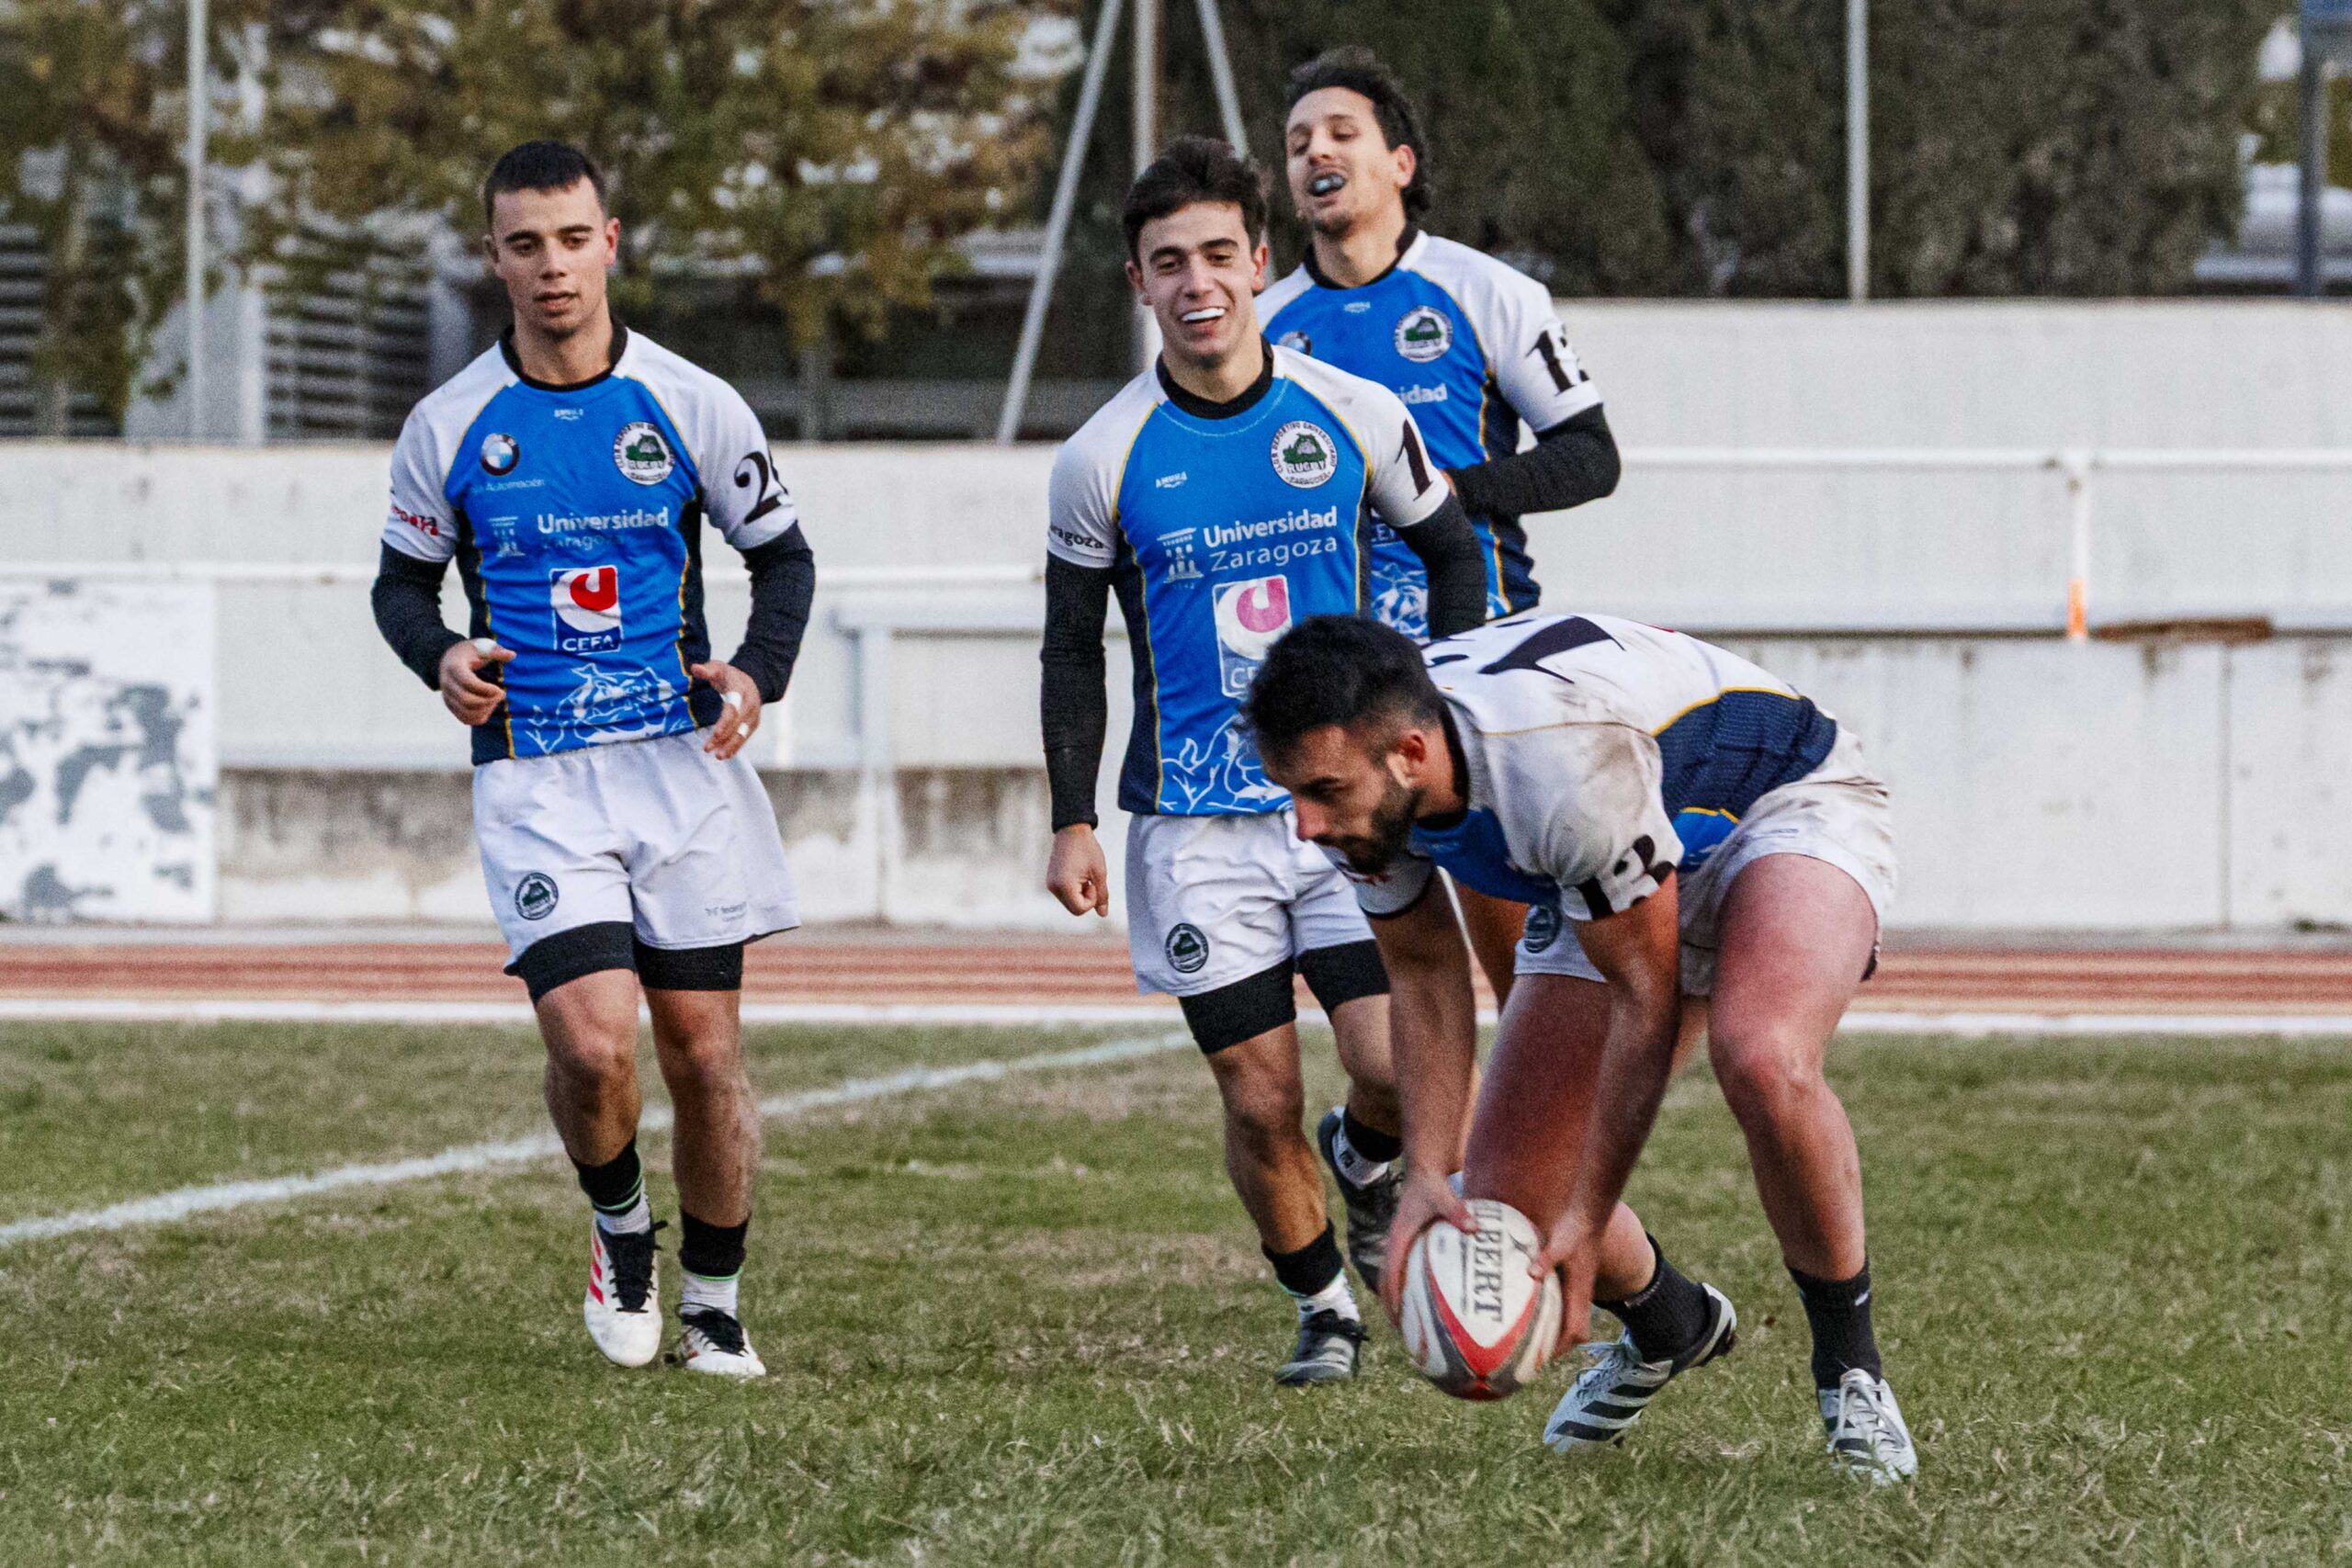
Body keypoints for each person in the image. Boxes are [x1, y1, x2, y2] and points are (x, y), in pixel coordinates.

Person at [1244, 612, 1919, 1481]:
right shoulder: (1368, 785)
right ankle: (1671, 1323)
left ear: (1411, 754)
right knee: (1507, 1210)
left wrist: (1590, 1217)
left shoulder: (1559, 768)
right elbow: (1421, 969)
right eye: (1292, 792)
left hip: (1778, 806)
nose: (1304, 824)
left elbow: (1647, 1002)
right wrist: (1426, 1175)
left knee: (1761, 1054)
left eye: (1322, 792)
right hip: (1621, 844)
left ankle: (1850, 1368)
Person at [1040, 137, 1491, 1385]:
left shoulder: (1354, 411)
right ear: (1139, 281)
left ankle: (1367, 1156)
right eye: (1168, 262)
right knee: (1257, 1095)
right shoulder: (1101, 457)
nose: (1197, 283)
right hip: (1192, 826)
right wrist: (1072, 816)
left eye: (1217, 255)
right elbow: (1071, 649)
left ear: (1257, 260)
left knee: (1390, 1064)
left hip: (1343, 813)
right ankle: (1323, 1308)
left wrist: (1443, 712)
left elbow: (1453, 551)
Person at [370, 141, 814, 1379]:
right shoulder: (448, 424)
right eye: (525, 244)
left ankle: (713, 1302)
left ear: (609, 243)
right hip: (537, 776)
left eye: (573, 239)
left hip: (678, 766)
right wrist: (440, 654)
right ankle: (621, 1227)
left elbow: (783, 557)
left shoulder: (691, 402)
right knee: (592, 1044)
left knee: (704, 1053)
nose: (552, 266)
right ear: (493, 257)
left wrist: (756, 669)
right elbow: (400, 587)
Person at [1262, 46, 1623, 1003]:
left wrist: (1445, 494)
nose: (1315, 152)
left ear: (1400, 163)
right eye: (1297, 142)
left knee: (1516, 955)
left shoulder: (1486, 292)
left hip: (1476, 652)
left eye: (1340, 133)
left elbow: (1591, 457)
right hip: (1338, 678)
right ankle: (1412, 1104)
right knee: (1401, 967)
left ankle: (1542, 1093)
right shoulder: (1266, 327)